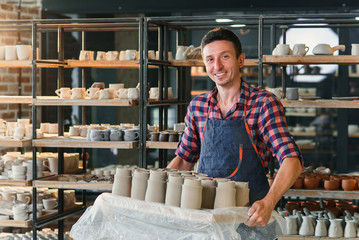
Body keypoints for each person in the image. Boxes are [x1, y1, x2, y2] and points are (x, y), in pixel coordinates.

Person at [167, 27, 303, 227]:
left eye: (225, 57)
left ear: (240, 60)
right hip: (206, 217)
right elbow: (184, 160)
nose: (217, 66)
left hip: (249, 217)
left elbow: (292, 160)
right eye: (210, 59)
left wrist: (269, 201)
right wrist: (156, 189)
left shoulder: (263, 103)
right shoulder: (198, 106)